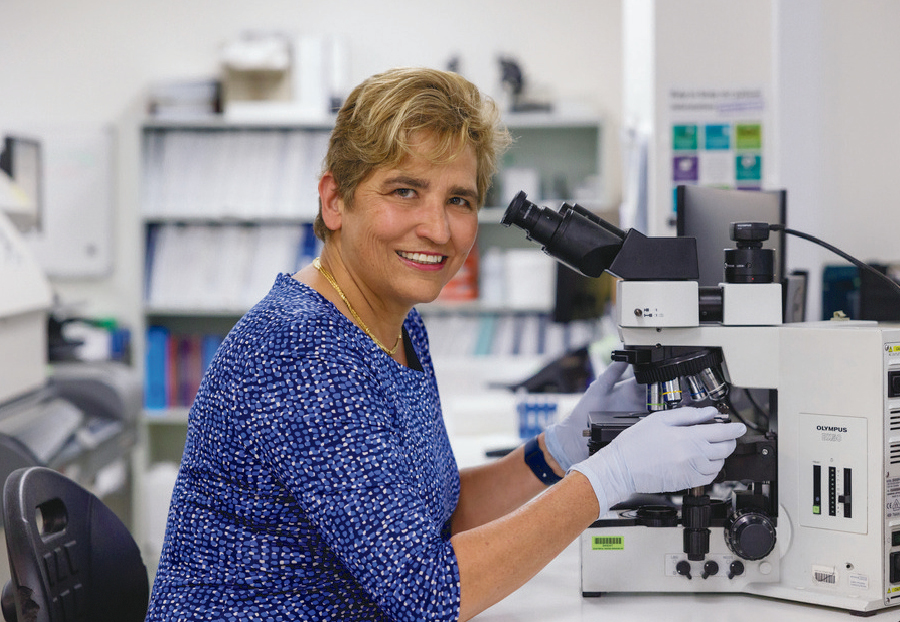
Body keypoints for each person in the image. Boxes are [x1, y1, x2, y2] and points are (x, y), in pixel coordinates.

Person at [145, 67, 746, 622]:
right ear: (334, 200)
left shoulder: (393, 323)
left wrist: (559, 452)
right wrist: (606, 479)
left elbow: (436, 518)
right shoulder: (301, 350)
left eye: (458, 199)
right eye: (404, 190)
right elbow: (427, 595)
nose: (437, 229)